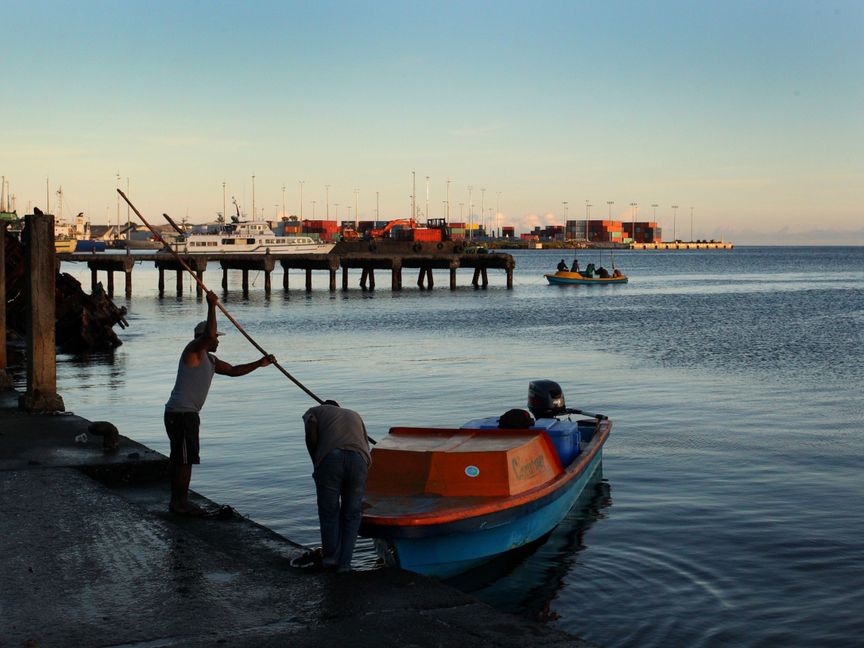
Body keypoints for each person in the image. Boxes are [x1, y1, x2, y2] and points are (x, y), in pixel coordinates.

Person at [164, 290, 274, 516]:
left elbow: (234, 371)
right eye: (215, 338)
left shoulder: (210, 360)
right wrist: (212, 306)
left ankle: (178, 501)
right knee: (184, 460)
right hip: (181, 414)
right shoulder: (193, 351)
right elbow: (207, 337)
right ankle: (179, 503)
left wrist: (260, 363)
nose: (217, 341)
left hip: (186, 414)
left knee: (183, 459)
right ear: (204, 337)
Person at [301, 400, 371, 572]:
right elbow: (365, 443)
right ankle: (345, 565)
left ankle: (331, 559)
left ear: (326, 406)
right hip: (360, 460)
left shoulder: (314, 411)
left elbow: (311, 433)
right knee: (352, 514)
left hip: (331, 458)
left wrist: (316, 462)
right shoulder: (354, 414)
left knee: (329, 512)